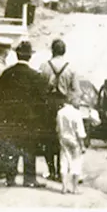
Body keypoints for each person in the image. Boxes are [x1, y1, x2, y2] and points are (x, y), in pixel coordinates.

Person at [0, 41, 51, 187]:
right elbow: (42, 101)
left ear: (17, 54)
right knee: (29, 148)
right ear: (30, 57)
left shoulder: (7, 74)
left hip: (10, 117)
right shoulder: (35, 76)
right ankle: (29, 179)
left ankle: (10, 178)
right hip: (30, 119)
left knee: (11, 147)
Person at [42, 39, 77, 181]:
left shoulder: (44, 66)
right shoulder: (70, 68)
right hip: (63, 103)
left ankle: (52, 171)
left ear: (52, 50)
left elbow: (40, 86)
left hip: (48, 104)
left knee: (48, 137)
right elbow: (75, 90)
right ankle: (62, 170)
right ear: (64, 51)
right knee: (63, 137)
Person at [55, 96, 87, 194]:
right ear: (72, 100)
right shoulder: (77, 113)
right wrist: (82, 145)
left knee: (64, 162)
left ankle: (64, 187)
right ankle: (75, 188)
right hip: (75, 140)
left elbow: (58, 128)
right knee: (76, 163)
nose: (79, 102)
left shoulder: (60, 113)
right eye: (78, 100)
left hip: (64, 139)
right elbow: (79, 131)